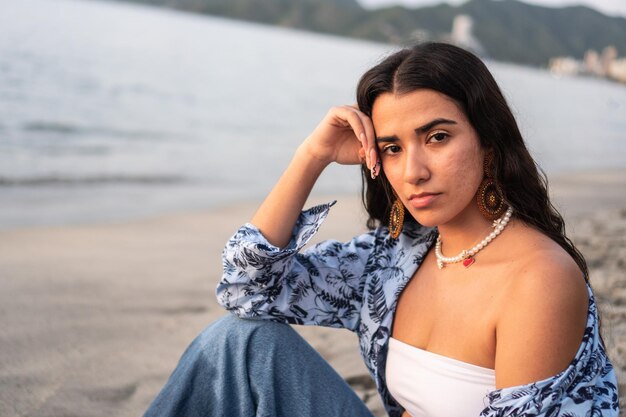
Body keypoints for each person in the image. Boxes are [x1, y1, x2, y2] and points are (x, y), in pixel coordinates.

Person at [143, 42, 619, 417]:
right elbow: (246, 291)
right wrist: (312, 157)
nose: (413, 171)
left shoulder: (539, 279)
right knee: (239, 340)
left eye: (437, 137)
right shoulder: (395, 257)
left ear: (488, 143)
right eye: (392, 147)